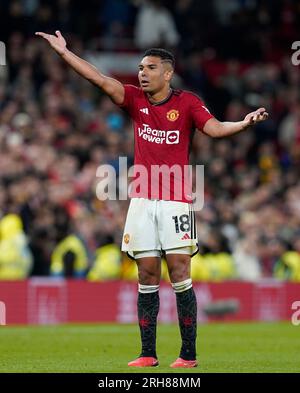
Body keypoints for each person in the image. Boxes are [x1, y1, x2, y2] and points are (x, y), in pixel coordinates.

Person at [35, 30, 269, 368]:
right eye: (141, 67)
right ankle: (148, 353)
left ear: (168, 72)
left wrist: (244, 124)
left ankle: (188, 355)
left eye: (150, 67)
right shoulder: (133, 98)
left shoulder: (187, 102)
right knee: (146, 273)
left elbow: (215, 129)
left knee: (178, 270)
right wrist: (64, 53)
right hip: (142, 200)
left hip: (175, 199)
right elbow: (98, 78)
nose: (143, 73)